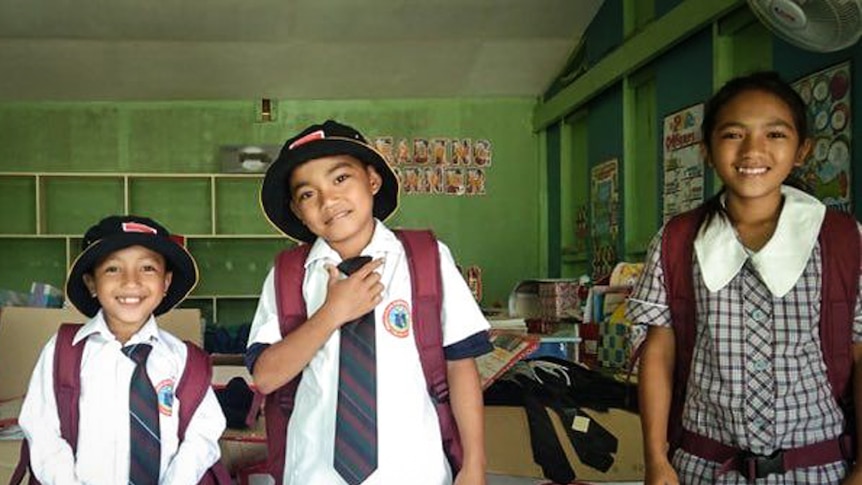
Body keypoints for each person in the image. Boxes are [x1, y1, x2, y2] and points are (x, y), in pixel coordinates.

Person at [628, 70, 862, 484]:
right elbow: (658, 354)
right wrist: (656, 459)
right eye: (734, 134)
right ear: (707, 150)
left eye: (775, 134)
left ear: (802, 149)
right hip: (702, 468)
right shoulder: (678, 240)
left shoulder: (844, 241)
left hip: (819, 469)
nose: (753, 150)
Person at [247, 119, 492, 485]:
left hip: (417, 472)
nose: (328, 199)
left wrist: (474, 465)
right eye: (307, 194)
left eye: (340, 178)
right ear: (298, 211)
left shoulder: (426, 258)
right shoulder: (289, 274)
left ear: (373, 180)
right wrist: (332, 314)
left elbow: (460, 365)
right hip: (316, 474)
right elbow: (265, 377)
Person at [18, 215, 226, 484]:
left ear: (165, 283)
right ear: (92, 283)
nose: (131, 281)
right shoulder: (63, 352)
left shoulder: (184, 361)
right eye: (113, 269)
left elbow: (203, 434)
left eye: (148, 268)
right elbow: (42, 431)